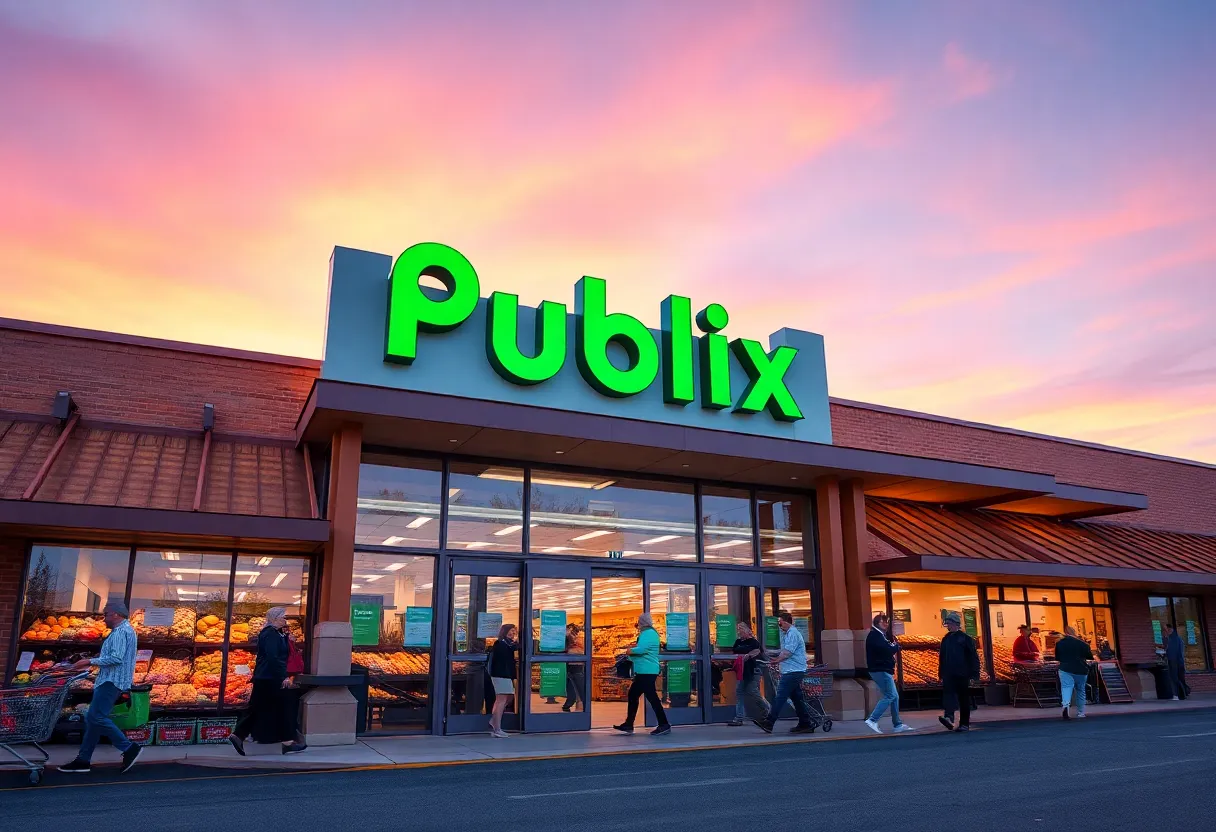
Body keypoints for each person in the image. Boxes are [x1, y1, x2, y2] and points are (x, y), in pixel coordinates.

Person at [59, 601, 142, 774]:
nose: (104, 618)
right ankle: (83, 759)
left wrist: (89, 661)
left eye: (106, 614)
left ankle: (128, 748)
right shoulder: (125, 631)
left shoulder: (121, 632)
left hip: (111, 681)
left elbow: (117, 658)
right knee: (93, 719)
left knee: (95, 716)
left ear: (116, 615)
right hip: (112, 680)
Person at [230, 607, 306, 755]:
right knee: (281, 707)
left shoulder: (275, 633)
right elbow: (273, 657)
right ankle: (288, 741)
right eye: (283, 617)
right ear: (275, 618)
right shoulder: (270, 634)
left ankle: (239, 735)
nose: (286, 619)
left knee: (263, 708)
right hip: (269, 678)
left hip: (265, 677)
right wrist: (282, 676)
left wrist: (286, 639)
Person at [753, 611, 813, 734]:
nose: (779, 626)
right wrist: (769, 654)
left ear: (786, 622)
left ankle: (769, 722)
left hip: (793, 670)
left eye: (780, 623)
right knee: (797, 698)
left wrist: (776, 661)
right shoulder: (787, 634)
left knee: (780, 697)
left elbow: (788, 652)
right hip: (791, 670)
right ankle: (806, 723)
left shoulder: (793, 633)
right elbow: (783, 651)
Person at [614, 613, 671, 735]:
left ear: (643, 622)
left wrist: (630, 651)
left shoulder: (648, 633)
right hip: (644, 670)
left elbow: (642, 649)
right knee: (633, 695)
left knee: (652, 698)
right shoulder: (650, 633)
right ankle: (629, 724)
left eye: (639, 622)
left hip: (647, 671)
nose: (638, 624)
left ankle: (664, 724)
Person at [865, 613, 913, 734]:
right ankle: (872, 719)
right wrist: (895, 646)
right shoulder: (875, 636)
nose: (886, 624)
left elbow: (884, 648)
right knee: (890, 695)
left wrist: (892, 646)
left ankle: (897, 724)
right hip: (880, 670)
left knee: (895, 696)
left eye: (887, 622)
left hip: (881, 670)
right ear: (877, 623)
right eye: (883, 622)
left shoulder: (879, 635)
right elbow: (886, 650)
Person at [937, 612, 980, 733]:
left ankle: (964, 723)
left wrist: (974, 674)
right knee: (948, 695)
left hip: (962, 673)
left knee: (963, 699)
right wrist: (941, 673)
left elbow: (973, 657)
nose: (948, 626)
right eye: (947, 624)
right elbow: (942, 657)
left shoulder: (965, 639)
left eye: (949, 623)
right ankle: (949, 717)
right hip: (948, 673)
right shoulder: (946, 639)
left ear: (956, 624)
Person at [727, 621, 769, 726]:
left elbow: (757, 651)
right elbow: (735, 651)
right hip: (742, 670)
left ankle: (766, 708)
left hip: (754, 669)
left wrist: (748, 655)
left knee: (752, 690)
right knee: (739, 691)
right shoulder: (737, 642)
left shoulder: (754, 642)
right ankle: (739, 718)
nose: (739, 631)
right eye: (738, 629)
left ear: (747, 630)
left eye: (741, 628)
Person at [1054, 625, 1094, 720]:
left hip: (1064, 669)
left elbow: (1057, 658)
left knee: (1066, 688)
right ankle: (1081, 712)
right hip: (1080, 669)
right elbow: (1089, 656)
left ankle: (1066, 706)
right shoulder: (1083, 644)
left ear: (1065, 633)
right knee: (1080, 690)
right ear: (1074, 632)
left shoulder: (1059, 644)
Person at [487, 624, 519, 737]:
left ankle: (494, 720)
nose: (512, 633)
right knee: (501, 700)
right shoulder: (500, 643)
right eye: (510, 631)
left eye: (514, 631)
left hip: (506, 676)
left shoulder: (509, 644)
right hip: (500, 675)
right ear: (504, 631)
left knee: (508, 697)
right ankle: (497, 729)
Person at [562, 623, 585, 712]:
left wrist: (568, 635)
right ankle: (568, 704)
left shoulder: (578, 639)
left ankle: (580, 704)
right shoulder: (568, 639)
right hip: (571, 664)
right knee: (571, 685)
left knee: (579, 686)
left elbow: (577, 649)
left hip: (576, 664)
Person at [1165, 625, 1190, 701]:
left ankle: (1177, 695)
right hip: (1180, 661)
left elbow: (1172, 652)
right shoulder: (1178, 639)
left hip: (1174, 661)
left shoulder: (1173, 639)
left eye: (1166, 630)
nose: (1165, 632)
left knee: (1174, 678)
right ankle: (1183, 694)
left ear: (1170, 630)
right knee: (1180, 678)